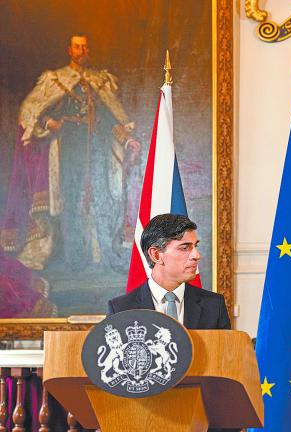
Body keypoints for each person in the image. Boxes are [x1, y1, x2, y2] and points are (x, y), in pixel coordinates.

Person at [1, 34, 140, 272]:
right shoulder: (56, 80)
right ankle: (76, 260)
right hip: (67, 151)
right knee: (72, 202)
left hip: (97, 152)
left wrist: (127, 140)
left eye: (85, 46)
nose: (82, 50)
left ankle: (108, 257)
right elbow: (31, 111)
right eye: (78, 47)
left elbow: (109, 119)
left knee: (103, 199)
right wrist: (48, 123)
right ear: (70, 50)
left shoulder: (100, 82)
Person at [107, 214, 230, 330]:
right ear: (156, 255)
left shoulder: (214, 305)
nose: (196, 255)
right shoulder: (120, 309)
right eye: (185, 248)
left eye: (195, 246)